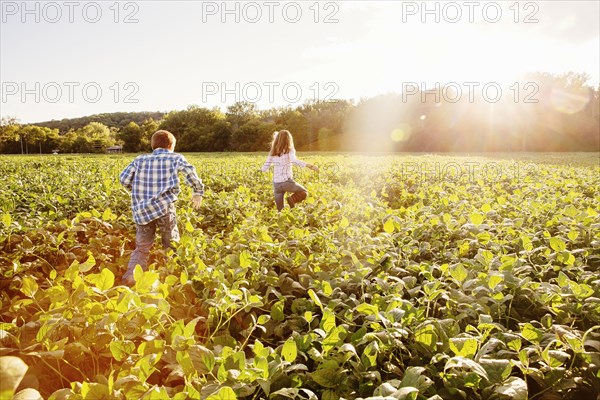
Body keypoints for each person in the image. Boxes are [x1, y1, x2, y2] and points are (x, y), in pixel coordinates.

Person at [119, 130, 204, 286]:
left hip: (142, 211)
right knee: (171, 244)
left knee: (142, 247)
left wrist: (139, 191)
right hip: (165, 208)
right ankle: (171, 278)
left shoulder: (139, 160)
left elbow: (123, 179)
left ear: (153, 146)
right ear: (171, 146)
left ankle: (132, 278)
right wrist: (198, 192)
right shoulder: (175, 157)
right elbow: (190, 172)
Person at [261, 130, 318, 211]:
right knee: (304, 193)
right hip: (287, 182)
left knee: (280, 210)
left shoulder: (273, 151)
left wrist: (260, 170)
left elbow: (264, 168)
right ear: (289, 139)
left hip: (276, 184)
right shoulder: (289, 150)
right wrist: (310, 166)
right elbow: (294, 160)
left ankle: (283, 219)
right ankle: (292, 200)